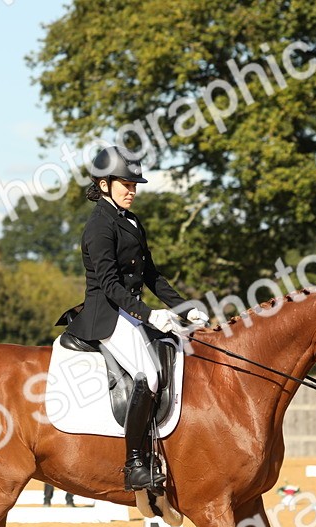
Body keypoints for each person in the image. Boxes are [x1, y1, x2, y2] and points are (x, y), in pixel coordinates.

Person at [64, 145, 209, 491]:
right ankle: (135, 464)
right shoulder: (99, 226)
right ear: (104, 185)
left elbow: (152, 275)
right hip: (107, 315)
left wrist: (182, 307)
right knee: (150, 377)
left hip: (129, 313)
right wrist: (148, 314)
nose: (132, 191)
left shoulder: (130, 221)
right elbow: (110, 284)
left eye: (135, 185)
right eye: (125, 184)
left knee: (178, 354)